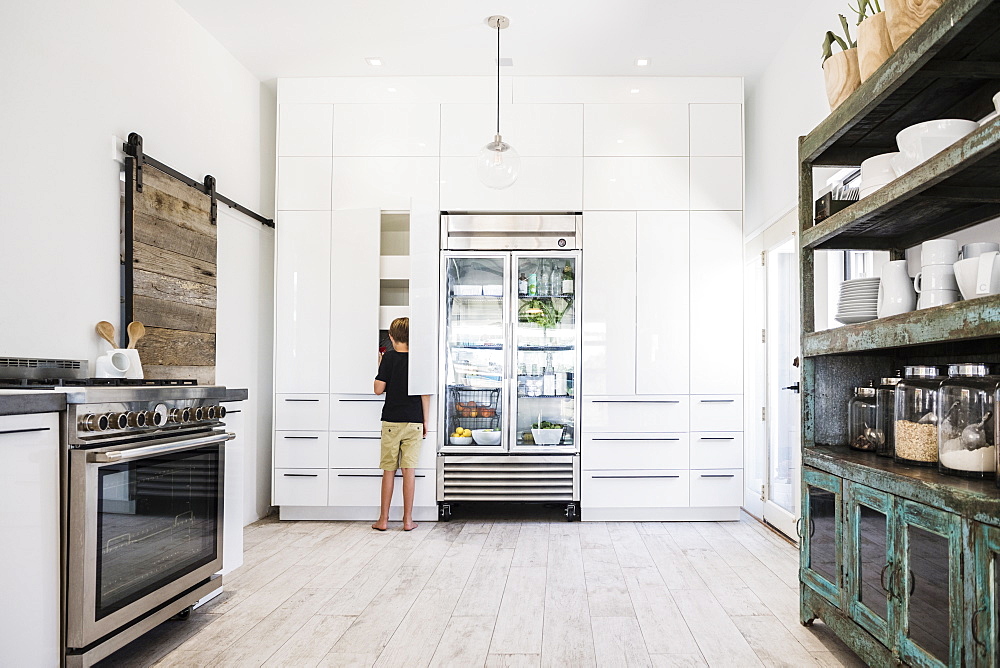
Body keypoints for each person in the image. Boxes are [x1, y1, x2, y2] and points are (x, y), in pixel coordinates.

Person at [372, 317, 429, 531]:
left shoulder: (389, 358)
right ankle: (407, 521)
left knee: (389, 470)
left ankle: (383, 520)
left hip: (391, 422)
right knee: (409, 471)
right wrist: (425, 421)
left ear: (391, 337)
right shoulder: (419, 360)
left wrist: (380, 365)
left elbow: (378, 389)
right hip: (414, 421)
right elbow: (425, 394)